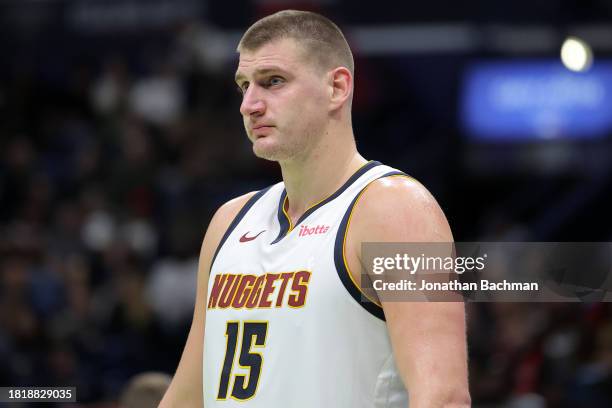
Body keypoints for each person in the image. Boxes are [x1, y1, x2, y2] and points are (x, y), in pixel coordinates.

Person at [160, 10, 470, 408]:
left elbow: (442, 397)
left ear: (337, 88)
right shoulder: (228, 223)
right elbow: (188, 398)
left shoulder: (395, 211)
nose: (249, 105)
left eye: (273, 82)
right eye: (243, 86)